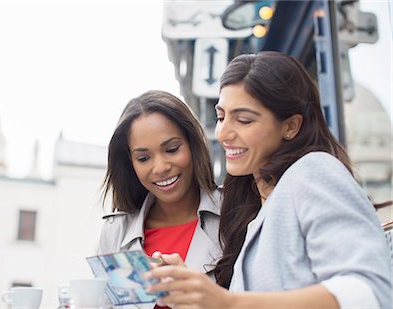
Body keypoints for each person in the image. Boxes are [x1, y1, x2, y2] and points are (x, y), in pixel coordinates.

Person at [145, 51, 391, 309]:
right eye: (221, 117)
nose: (224, 133)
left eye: (243, 120)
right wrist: (196, 295)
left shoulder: (314, 171)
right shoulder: (254, 205)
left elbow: (367, 293)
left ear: (291, 126)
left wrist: (228, 302)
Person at [98, 90, 222, 308]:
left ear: (192, 144)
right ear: (131, 163)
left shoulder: (235, 212)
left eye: (172, 149)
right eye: (143, 158)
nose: (161, 167)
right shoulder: (115, 232)